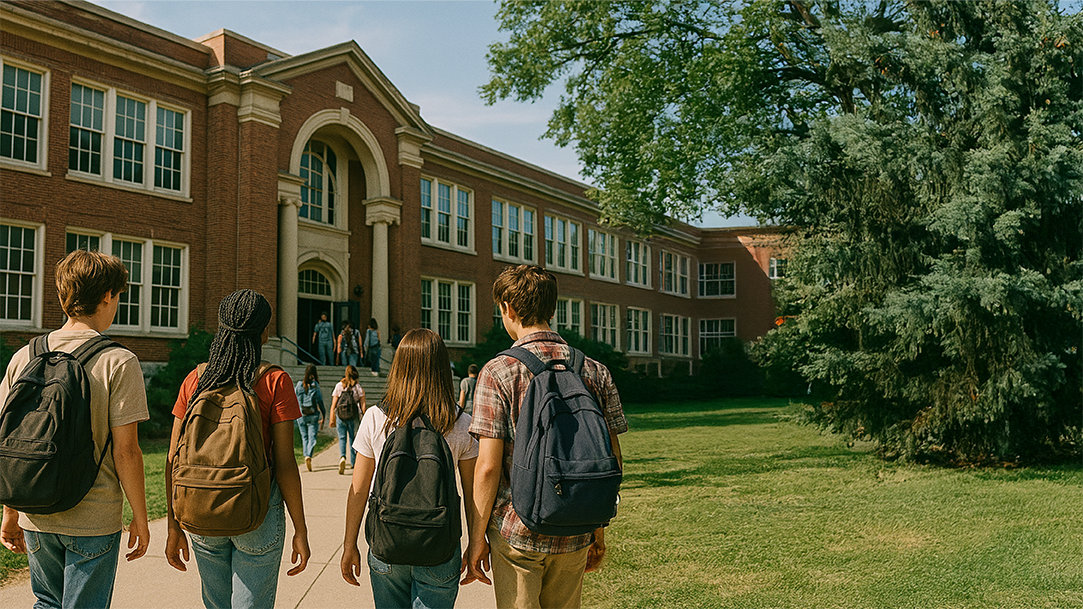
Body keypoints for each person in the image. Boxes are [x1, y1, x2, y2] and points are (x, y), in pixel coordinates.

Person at [466, 265, 628, 609]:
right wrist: (597, 528)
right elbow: (611, 458)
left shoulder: (498, 372)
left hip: (517, 531)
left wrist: (476, 538)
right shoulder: (594, 371)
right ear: (551, 309)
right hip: (576, 528)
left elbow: (488, 468)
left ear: (508, 307)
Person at [0, 250, 151, 609]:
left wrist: (10, 514)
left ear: (61, 295)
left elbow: (7, 441)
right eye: (118, 297)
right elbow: (126, 450)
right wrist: (140, 519)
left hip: (37, 511)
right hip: (93, 517)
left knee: (48, 603)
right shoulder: (118, 360)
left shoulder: (25, 356)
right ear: (107, 296)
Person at [164, 289, 311, 609]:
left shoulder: (196, 379)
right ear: (265, 332)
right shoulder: (275, 381)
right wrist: (301, 529)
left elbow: (173, 458)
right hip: (257, 513)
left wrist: (173, 526)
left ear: (221, 328)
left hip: (201, 510)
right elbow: (285, 463)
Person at [339, 328, 481, 609]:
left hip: (387, 545)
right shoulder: (460, 423)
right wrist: (477, 543)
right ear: (442, 369)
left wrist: (349, 544)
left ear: (398, 368)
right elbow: (473, 494)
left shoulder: (375, 417)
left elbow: (358, 489)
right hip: (439, 545)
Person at [329, 365, 365, 475]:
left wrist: (332, 418)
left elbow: (334, 404)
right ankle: (354, 462)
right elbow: (363, 404)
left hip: (341, 416)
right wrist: (363, 416)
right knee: (353, 439)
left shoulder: (339, 385)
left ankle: (342, 457)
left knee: (342, 438)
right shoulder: (357, 387)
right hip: (353, 416)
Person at [294, 364, 326, 472]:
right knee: (312, 437)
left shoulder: (299, 385)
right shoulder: (315, 385)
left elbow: (294, 398)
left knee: (304, 437)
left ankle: (305, 455)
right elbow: (320, 401)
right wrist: (324, 414)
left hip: (301, 415)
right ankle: (308, 455)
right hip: (313, 415)